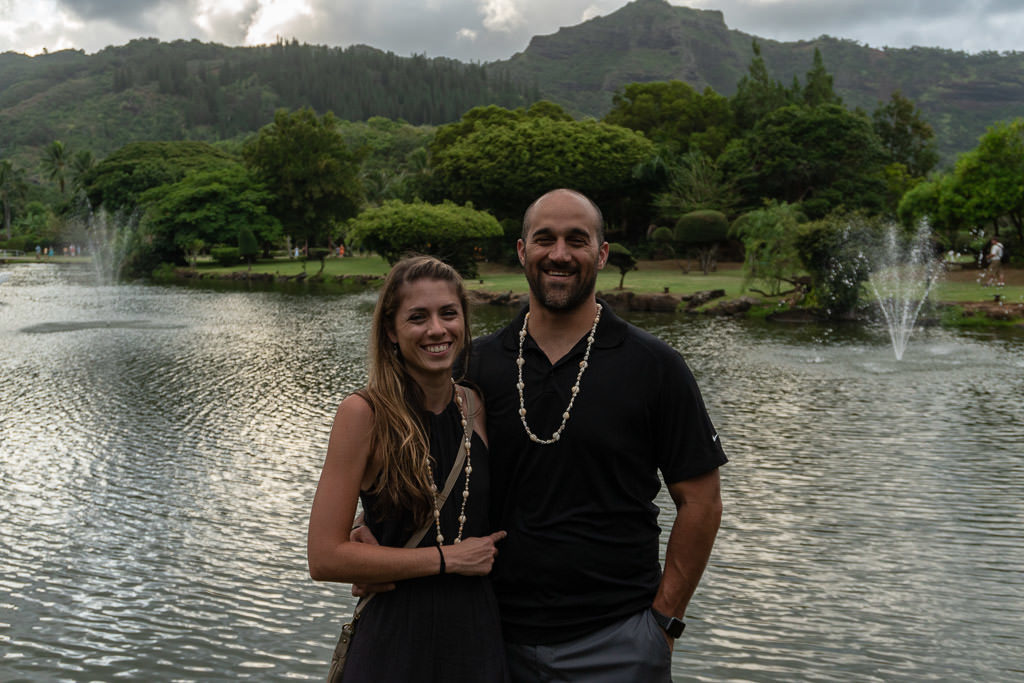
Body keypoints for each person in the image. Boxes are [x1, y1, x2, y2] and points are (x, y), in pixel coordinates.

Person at [468, 189, 726, 681]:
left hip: (617, 642)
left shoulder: (655, 367)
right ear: (523, 252)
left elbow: (701, 502)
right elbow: (424, 465)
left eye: (576, 240)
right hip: (489, 636)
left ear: (601, 254)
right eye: (544, 239)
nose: (559, 254)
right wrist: (376, 519)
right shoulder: (476, 364)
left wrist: (663, 623)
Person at [308, 255, 509, 682]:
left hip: (476, 642)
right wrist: (447, 559)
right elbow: (324, 557)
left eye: (448, 314)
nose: (437, 329)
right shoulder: (363, 414)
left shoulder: (476, 406)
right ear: (390, 332)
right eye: (418, 317)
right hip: (395, 643)